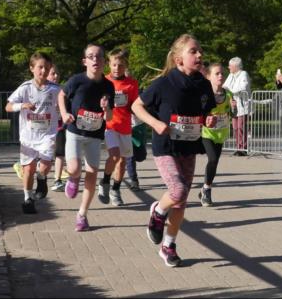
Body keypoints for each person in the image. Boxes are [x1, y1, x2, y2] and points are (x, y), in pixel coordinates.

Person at [132, 34, 216, 267]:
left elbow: (207, 112)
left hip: (189, 147)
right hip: (166, 147)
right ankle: (158, 212)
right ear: (179, 59)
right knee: (177, 191)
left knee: (180, 202)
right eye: (193, 51)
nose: (199, 55)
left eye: (200, 51)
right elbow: (136, 106)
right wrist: (155, 123)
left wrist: (208, 119)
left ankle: (168, 246)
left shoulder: (203, 84)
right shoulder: (164, 83)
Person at [57, 44, 115, 232]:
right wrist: (65, 114)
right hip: (75, 132)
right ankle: (73, 178)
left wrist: (106, 109)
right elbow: (61, 95)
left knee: (92, 174)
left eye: (99, 56)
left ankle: (82, 215)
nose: (95, 60)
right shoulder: (77, 81)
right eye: (91, 56)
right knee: (74, 168)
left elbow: (110, 118)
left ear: (104, 61)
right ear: (85, 61)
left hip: (95, 136)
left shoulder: (108, 86)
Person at [5, 52, 61, 214]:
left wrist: (63, 110)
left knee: (43, 167)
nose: (43, 71)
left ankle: (42, 178)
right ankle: (28, 199)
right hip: (28, 137)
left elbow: (67, 102)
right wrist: (21, 106)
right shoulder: (25, 88)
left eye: (47, 68)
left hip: (47, 135)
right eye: (40, 67)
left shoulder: (56, 89)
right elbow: (8, 106)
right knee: (28, 169)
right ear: (32, 68)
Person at [100, 49, 139, 207]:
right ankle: (105, 182)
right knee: (114, 156)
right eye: (114, 64)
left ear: (125, 66)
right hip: (109, 125)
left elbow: (135, 105)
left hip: (125, 126)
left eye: (120, 65)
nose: (117, 68)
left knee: (122, 160)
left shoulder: (132, 83)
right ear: (109, 64)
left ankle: (115, 190)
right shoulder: (103, 81)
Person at [199, 62, 232, 206]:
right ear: (208, 77)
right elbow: (198, 112)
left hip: (221, 133)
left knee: (214, 162)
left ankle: (204, 188)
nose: (220, 76)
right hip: (207, 132)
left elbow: (234, 114)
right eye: (217, 74)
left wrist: (234, 108)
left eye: (222, 73)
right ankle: (207, 190)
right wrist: (206, 117)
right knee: (212, 159)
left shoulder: (228, 93)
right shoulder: (205, 95)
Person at [224, 57, 251, 156]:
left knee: (241, 127)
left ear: (236, 66)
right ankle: (238, 147)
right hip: (234, 104)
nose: (228, 67)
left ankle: (243, 148)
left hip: (243, 105)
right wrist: (231, 96)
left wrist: (231, 89)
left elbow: (242, 87)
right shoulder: (232, 75)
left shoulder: (244, 74)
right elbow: (225, 86)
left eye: (230, 65)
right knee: (235, 127)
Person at [48, 65, 69, 193]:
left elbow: (67, 106)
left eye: (57, 73)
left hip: (59, 126)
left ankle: (57, 180)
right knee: (45, 155)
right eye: (53, 73)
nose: (56, 76)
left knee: (60, 153)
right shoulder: (40, 89)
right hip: (44, 128)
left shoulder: (63, 90)